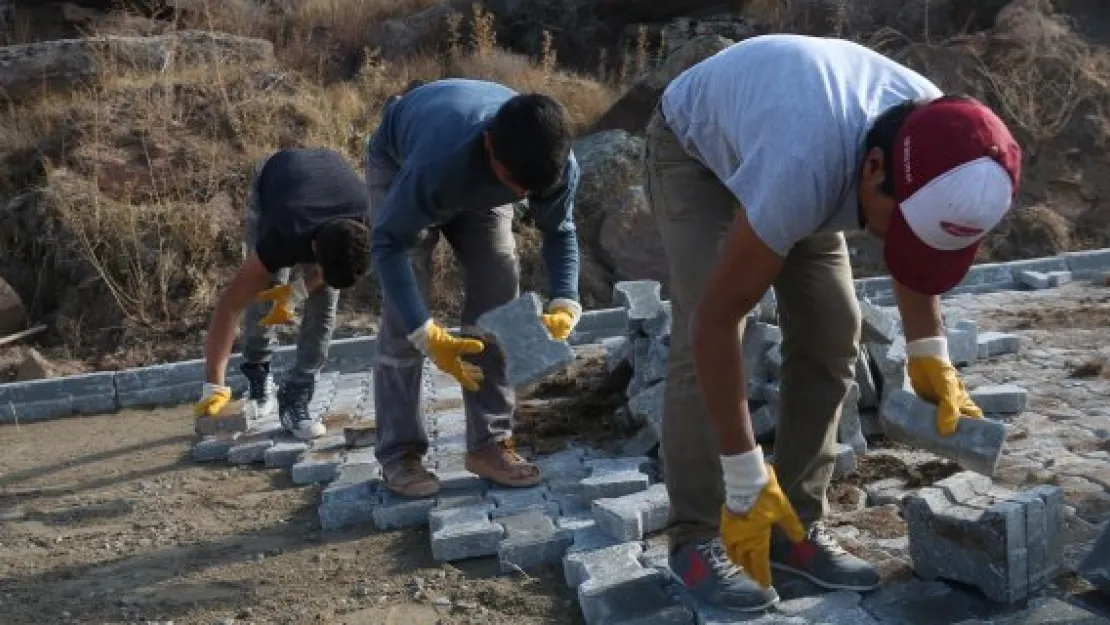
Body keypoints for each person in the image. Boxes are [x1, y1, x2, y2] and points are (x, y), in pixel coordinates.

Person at [643, 34, 1021, 611]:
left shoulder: (947, 139)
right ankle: (697, 536)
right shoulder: (803, 168)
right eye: (900, 226)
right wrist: (745, 474)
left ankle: (792, 527)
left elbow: (913, 247)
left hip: (795, 139)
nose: (900, 243)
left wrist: (929, 351)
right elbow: (716, 324)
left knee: (833, 328)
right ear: (872, 169)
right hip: (695, 152)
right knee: (709, 328)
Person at [365, 78, 583, 498]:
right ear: (488, 145)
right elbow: (389, 243)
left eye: (529, 191)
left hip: (479, 179)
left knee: (499, 286)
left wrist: (565, 299)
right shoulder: (435, 163)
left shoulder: (551, 165)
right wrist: (423, 331)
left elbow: (561, 231)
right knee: (403, 312)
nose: (521, 195)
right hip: (401, 162)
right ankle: (400, 453)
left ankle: (488, 444)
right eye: (514, 183)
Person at [194, 148, 372, 441]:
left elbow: (333, 273)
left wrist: (298, 292)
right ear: (314, 249)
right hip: (275, 180)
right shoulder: (283, 232)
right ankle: (258, 373)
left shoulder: (370, 218)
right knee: (264, 292)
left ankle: (296, 396)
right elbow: (230, 306)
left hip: (328, 172)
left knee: (324, 304)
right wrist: (214, 386)